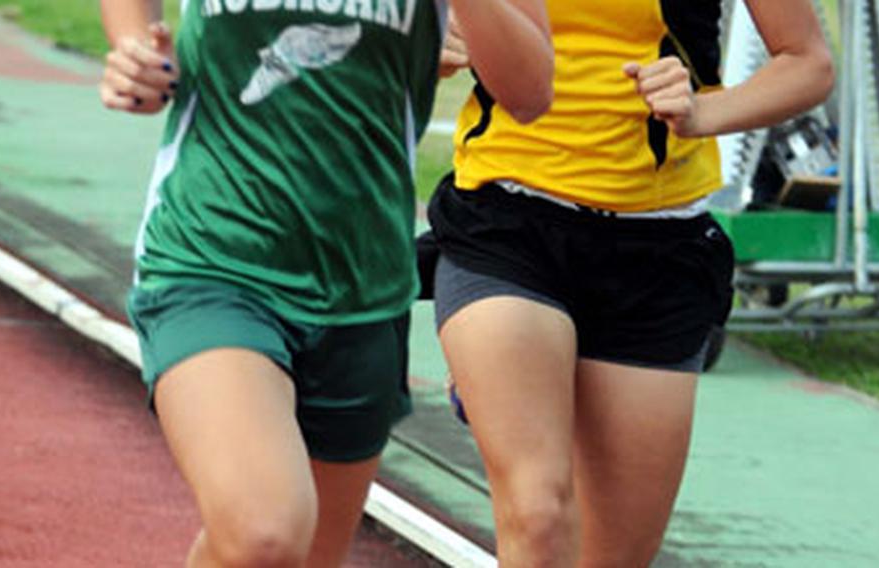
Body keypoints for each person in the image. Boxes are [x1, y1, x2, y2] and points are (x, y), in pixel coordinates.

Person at [99, 0, 552, 566]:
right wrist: (135, 48)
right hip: (211, 256)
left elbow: (531, 92)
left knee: (307, 553)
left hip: (362, 286)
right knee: (263, 533)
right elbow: (136, 31)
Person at [426, 2, 835, 566]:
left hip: (658, 252)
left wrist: (701, 111)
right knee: (538, 518)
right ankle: (499, 373)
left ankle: (511, 380)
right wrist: (427, 49)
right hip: (509, 223)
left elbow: (808, 62)